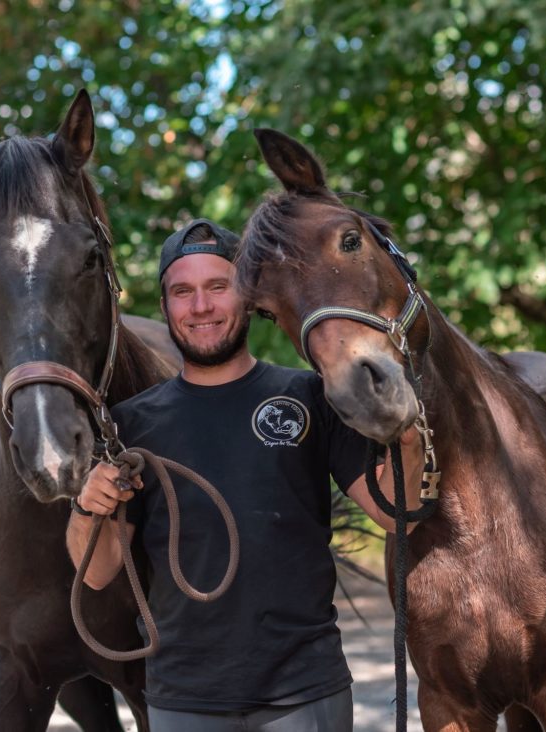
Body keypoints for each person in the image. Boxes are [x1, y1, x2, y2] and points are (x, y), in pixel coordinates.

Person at [66, 218, 426, 731]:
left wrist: (407, 440)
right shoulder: (130, 426)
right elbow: (95, 571)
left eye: (219, 287)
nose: (201, 306)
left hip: (303, 691)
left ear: (250, 297)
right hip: (182, 699)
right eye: (182, 292)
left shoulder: (309, 398)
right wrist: (87, 505)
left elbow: (400, 515)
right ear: (165, 306)